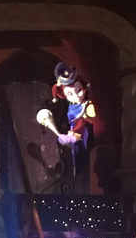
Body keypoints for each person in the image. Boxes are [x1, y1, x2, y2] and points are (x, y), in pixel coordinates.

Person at [35, 62, 96, 190]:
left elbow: (83, 125)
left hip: (86, 137)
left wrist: (72, 137)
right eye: (70, 94)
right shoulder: (73, 108)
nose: (76, 95)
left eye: (78, 90)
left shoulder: (87, 106)